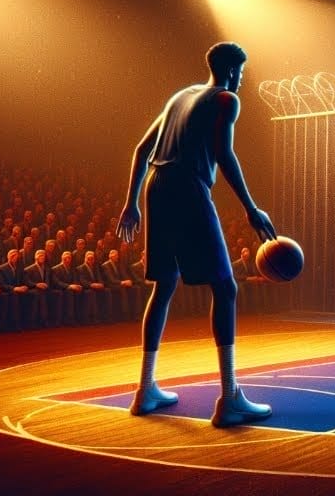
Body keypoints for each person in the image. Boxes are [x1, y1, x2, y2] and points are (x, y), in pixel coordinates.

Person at [116, 41, 277, 427]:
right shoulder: (225, 101)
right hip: (188, 187)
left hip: (157, 186)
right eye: (242, 71)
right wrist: (251, 208)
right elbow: (225, 155)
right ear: (233, 70)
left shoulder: (180, 96)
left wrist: (132, 202)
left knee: (164, 286)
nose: (242, 78)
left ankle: (145, 389)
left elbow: (141, 149)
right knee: (226, 288)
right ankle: (230, 396)